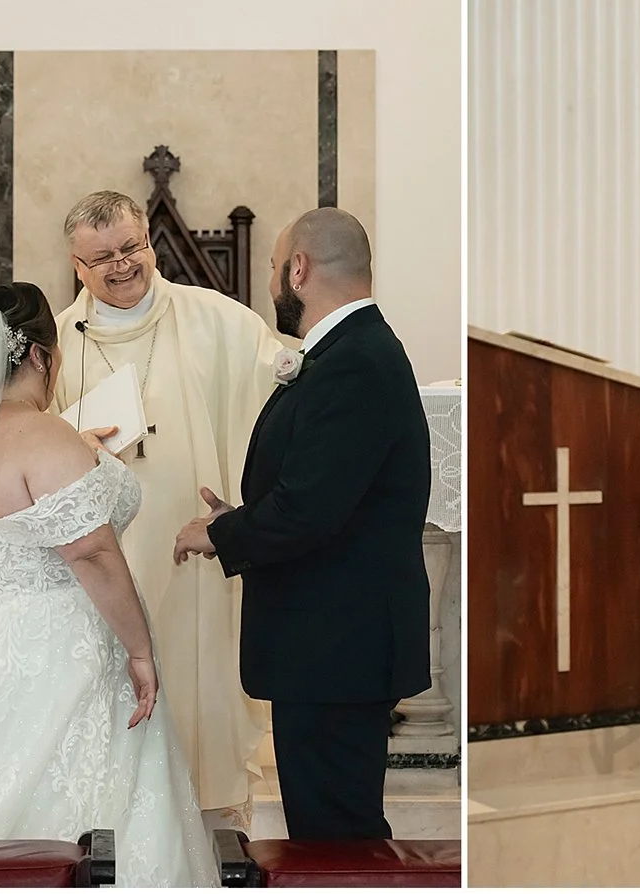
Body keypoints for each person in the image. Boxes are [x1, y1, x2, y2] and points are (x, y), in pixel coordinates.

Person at [0, 282, 217, 886]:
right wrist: (139, 650)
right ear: (39, 356)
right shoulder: (43, 435)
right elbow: (95, 554)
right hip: (59, 645)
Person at [174, 207, 431, 840]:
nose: (270, 285)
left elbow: (309, 510)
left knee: (337, 838)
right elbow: (328, 492)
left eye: (271, 268)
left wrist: (219, 535)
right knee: (328, 828)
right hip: (331, 644)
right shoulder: (349, 351)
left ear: (298, 269)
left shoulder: (356, 361)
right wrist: (243, 517)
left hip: (337, 646)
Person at [52, 190, 282, 826]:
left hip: (194, 545)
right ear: (77, 264)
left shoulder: (215, 318)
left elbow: (282, 378)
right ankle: (116, 820)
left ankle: (209, 820)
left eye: (132, 247)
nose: (122, 265)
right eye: (103, 258)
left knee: (196, 665)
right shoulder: (58, 346)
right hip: (104, 553)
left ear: (149, 242)